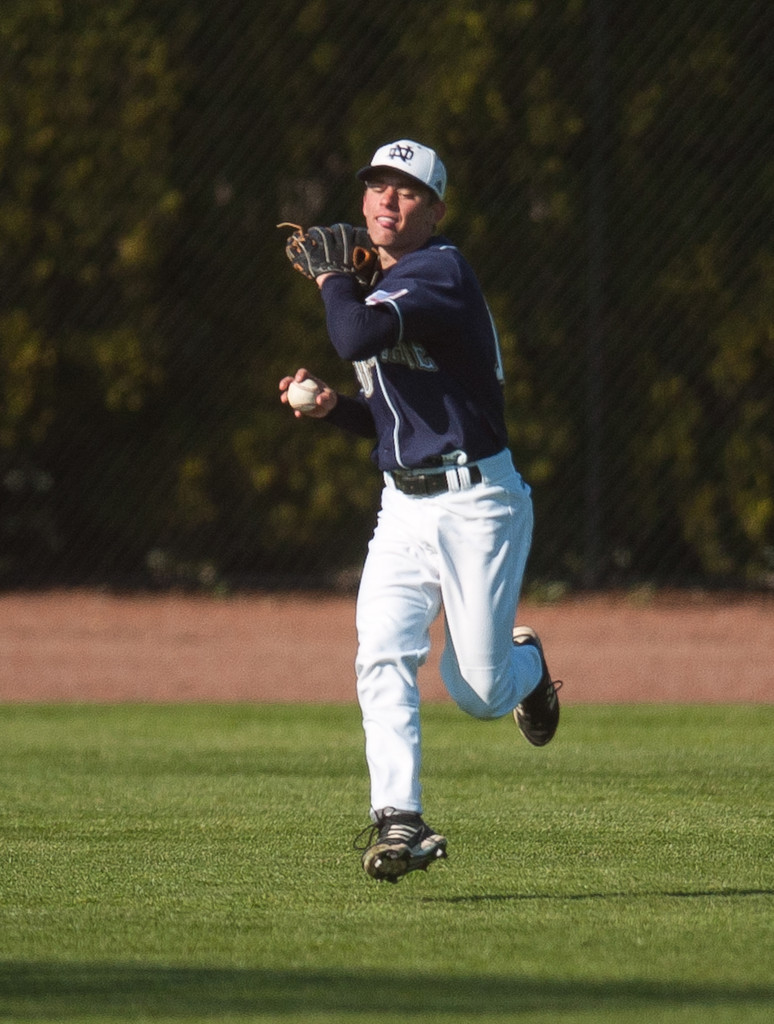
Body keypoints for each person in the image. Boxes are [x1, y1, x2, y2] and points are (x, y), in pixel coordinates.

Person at [279, 139, 562, 884]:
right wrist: (338, 408)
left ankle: (527, 672)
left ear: (433, 211)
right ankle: (399, 816)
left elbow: (355, 333)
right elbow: (392, 422)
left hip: (478, 505)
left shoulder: (439, 272)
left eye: (407, 192)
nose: (386, 201)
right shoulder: (383, 285)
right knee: (381, 653)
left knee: (477, 691)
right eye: (377, 186)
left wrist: (334, 278)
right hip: (403, 506)